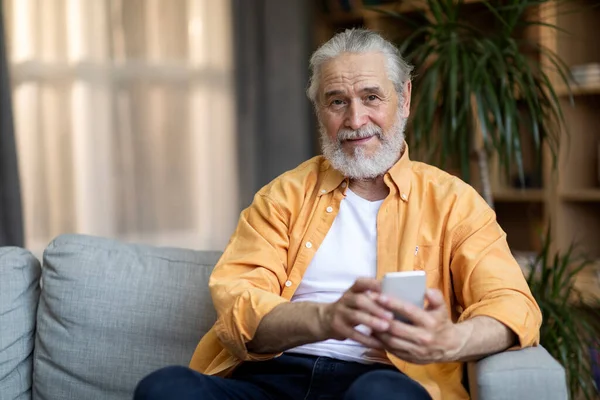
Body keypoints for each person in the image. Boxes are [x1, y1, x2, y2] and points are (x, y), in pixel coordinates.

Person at [134, 28, 542, 400]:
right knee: (164, 388)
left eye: (371, 97)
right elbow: (238, 304)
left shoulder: (454, 201)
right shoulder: (283, 196)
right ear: (320, 112)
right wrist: (326, 318)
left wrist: (448, 340)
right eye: (337, 102)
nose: (355, 120)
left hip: (381, 379)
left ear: (404, 99)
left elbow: (511, 304)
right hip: (271, 378)